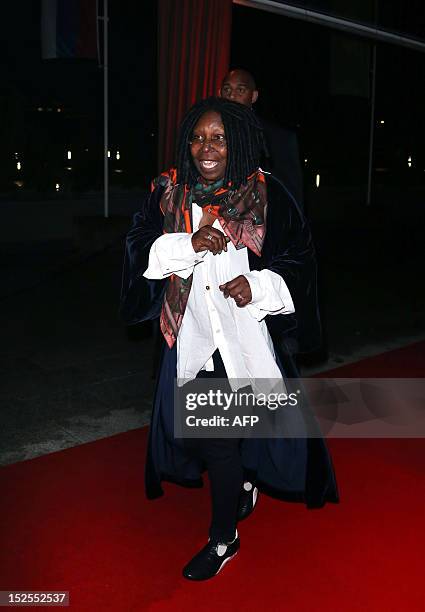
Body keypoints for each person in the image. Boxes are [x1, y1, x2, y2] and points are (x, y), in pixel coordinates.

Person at [120, 97, 338, 581]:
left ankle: (224, 537)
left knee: (227, 438)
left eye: (218, 138)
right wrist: (187, 242)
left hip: (247, 342)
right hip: (193, 339)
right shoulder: (167, 194)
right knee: (205, 440)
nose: (206, 148)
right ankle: (237, 499)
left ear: (236, 142)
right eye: (198, 137)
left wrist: (257, 285)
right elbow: (136, 249)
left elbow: (300, 260)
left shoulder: (267, 194)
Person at [220, 68, 304, 208]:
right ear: (219, 93)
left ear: (253, 96)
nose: (232, 96)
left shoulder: (278, 138)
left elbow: (292, 194)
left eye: (240, 90)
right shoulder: (206, 134)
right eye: (227, 90)